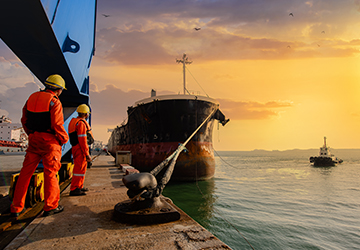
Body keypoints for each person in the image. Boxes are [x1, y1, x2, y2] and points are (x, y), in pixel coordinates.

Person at [10, 74, 69, 217]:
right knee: (51, 173)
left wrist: (30, 133)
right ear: (59, 89)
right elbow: (57, 124)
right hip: (50, 142)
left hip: (34, 139)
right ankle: (50, 206)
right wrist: (64, 139)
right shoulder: (54, 102)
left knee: (25, 173)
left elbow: (24, 119)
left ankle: (17, 207)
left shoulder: (31, 98)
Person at [68, 104, 93, 196]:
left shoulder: (74, 122)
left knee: (81, 169)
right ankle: (74, 188)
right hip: (80, 149)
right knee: (79, 169)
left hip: (76, 148)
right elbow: (82, 140)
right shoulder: (81, 124)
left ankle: (79, 186)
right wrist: (87, 154)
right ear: (86, 114)